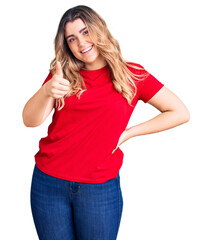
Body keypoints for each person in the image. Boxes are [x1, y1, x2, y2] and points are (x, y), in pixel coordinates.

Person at [22, 5, 190, 240]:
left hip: (99, 188)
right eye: (72, 38)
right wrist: (46, 91)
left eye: (85, 32)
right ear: (67, 45)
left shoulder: (132, 75)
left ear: (99, 30)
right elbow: (30, 120)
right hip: (48, 183)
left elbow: (180, 112)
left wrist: (128, 133)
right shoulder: (62, 76)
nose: (81, 43)